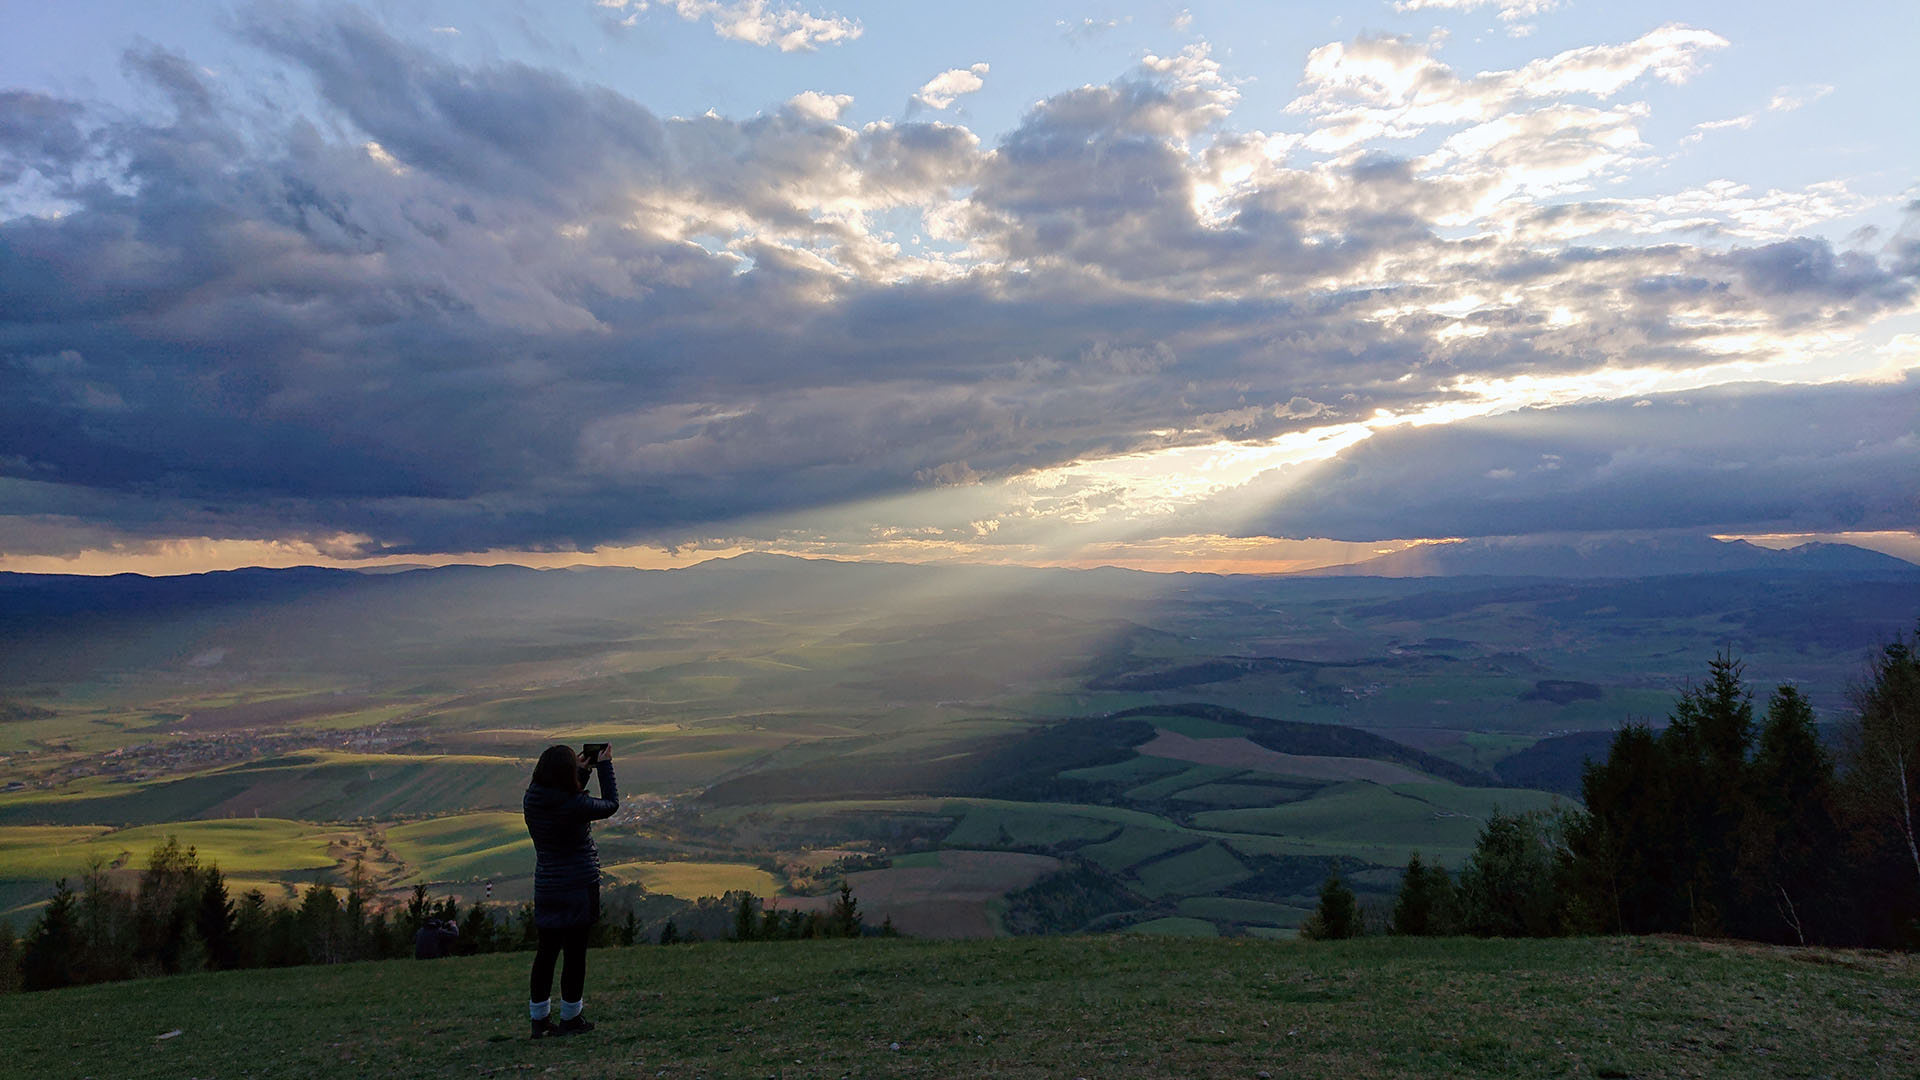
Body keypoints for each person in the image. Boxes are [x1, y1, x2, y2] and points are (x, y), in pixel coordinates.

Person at [523, 743, 617, 1039]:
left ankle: (539, 1021)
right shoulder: (574, 805)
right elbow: (610, 804)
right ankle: (571, 1017)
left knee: (546, 953)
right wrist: (604, 766)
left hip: (548, 885)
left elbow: (562, 794)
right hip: (578, 884)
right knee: (575, 955)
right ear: (566, 773)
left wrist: (580, 771)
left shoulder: (532, 799)